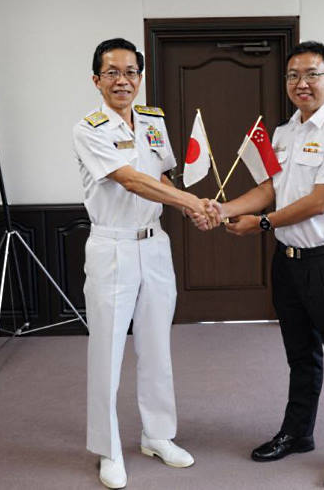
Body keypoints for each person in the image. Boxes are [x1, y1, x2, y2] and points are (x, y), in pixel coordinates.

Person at [207, 41, 324, 488]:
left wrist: (260, 224)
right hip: (287, 263)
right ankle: (298, 432)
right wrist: (222, 209)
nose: (301, 83)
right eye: (293, 76)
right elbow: (269, 191)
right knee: (300, 356)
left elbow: (321, 201)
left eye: (312, 74)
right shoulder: (284, 133)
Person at [72, 38, 218, 489]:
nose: (123, 80)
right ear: (96, 79)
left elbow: (162, 176)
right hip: (112, 247)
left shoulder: (153, 121)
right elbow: (131, 180)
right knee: (108, 352)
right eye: (112, 72)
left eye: (131, 71)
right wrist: (191, 201)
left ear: (140, 76)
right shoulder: (89, 128)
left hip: (155, 245)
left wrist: (192, 208)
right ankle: (108, 448)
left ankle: (158, 435)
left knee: (156, 347)